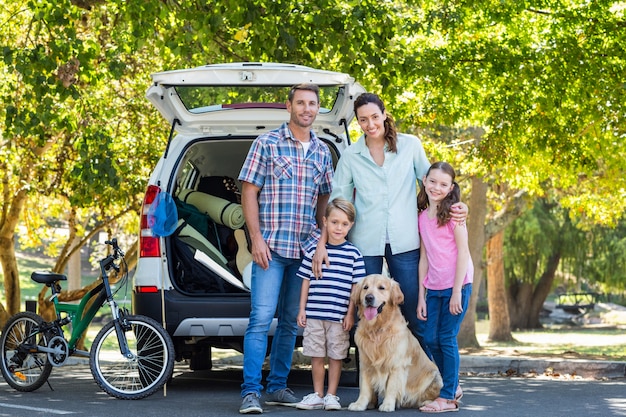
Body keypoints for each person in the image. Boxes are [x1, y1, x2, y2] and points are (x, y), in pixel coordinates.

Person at [312, 92, 467, 352]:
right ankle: (369, 390)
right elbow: (337, 203)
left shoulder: (410, 145)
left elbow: (434, 182)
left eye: (374, 117)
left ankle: (431, 380)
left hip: (406, 241)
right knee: (366, 318)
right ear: (357, 123)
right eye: (363, 120)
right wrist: (322, 243)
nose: (370, 124)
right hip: (365, 245)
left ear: (384, 114)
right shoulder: (351, 156)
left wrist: (459, 205)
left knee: (416, 315)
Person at [237, 83, 334, 414]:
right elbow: (248, 192)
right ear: (289, 106)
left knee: (292, 321)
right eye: (301, 103)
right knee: (261, 318)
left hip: (304, 249)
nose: (307, 108)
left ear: (317, 109)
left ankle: (278, 386)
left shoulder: (322, 152)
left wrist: (322, 244)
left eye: (312, 104)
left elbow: (324, 202)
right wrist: (255, 238)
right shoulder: (267, 143)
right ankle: (251, 392)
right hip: (271, 248)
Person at [295, 198, 366, 411]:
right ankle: (317, 393)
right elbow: (305, 282)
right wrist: (302, 309)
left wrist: (350, 314)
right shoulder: (314, 253)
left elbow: (356, 289)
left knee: (336, 356)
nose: (339, 228)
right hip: (315, 313)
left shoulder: (354, 254)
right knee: (316, 355)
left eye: (344, 224)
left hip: (338, 317)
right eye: (334, 222)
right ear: (325, 222)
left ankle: (331, 395)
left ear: (351, 225)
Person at [416, 161, 473, 413]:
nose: (436, 187)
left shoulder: (455, 216)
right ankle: (453, 385)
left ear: (451, 189)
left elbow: (463, 253)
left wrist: (457, 290)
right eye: (433, 181)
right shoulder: (421, 217)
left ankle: (448, 397)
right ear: (425, 181)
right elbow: (424, 258)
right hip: (434, 287)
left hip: (457, 285)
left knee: (446, 338)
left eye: (443, 184)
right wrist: (421, 295)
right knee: (430, 338)